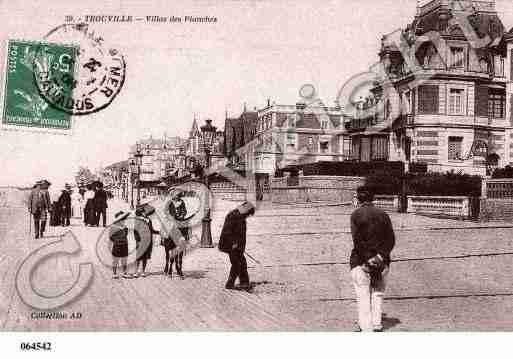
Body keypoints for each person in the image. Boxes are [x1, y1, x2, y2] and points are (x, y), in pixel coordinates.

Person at [350, 186, 395, 332]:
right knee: (377, 293)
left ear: (359, 199)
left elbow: (357, 241)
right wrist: (380, 256)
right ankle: (377, 324)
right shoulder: (383, 214)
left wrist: (367, 259)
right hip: (382, 261)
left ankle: (365, 326)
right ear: (373, 198)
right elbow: (391, 239)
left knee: (362, 294)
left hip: (360, 261)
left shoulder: (356, 215)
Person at [218, 201, 256, 290]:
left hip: (237, 246)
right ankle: (230, 284)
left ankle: (244, 282)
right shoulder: (233, 216)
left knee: (241, 262)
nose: (248, 216)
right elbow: (227, 232)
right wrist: (234, 243)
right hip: (231, 246)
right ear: (246, 211)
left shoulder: (240, 216)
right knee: (237, 264)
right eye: (249, 214)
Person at [133, 204, 159, 277]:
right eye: (144, 212)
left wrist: (158, 232)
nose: (145, 213)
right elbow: (135, 231)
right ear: (141, 213)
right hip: (140, 240)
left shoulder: (149, 220)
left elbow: (151, 230)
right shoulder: (138, 220)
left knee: (145, 257)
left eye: (145, 212)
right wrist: (137, 240)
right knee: (138, 257)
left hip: (148, 240)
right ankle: (136, 271)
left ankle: (143, 271)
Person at [109, 211, 131, 279]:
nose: (124, 220)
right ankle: (114, 273)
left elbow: (126, 234)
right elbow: (111, 237)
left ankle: (124, 272)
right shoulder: (113, 227)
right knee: (115, 260)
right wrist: (117, 241)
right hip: (117, 245)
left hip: (124, 244)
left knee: (124, 259)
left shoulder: (125, 227)